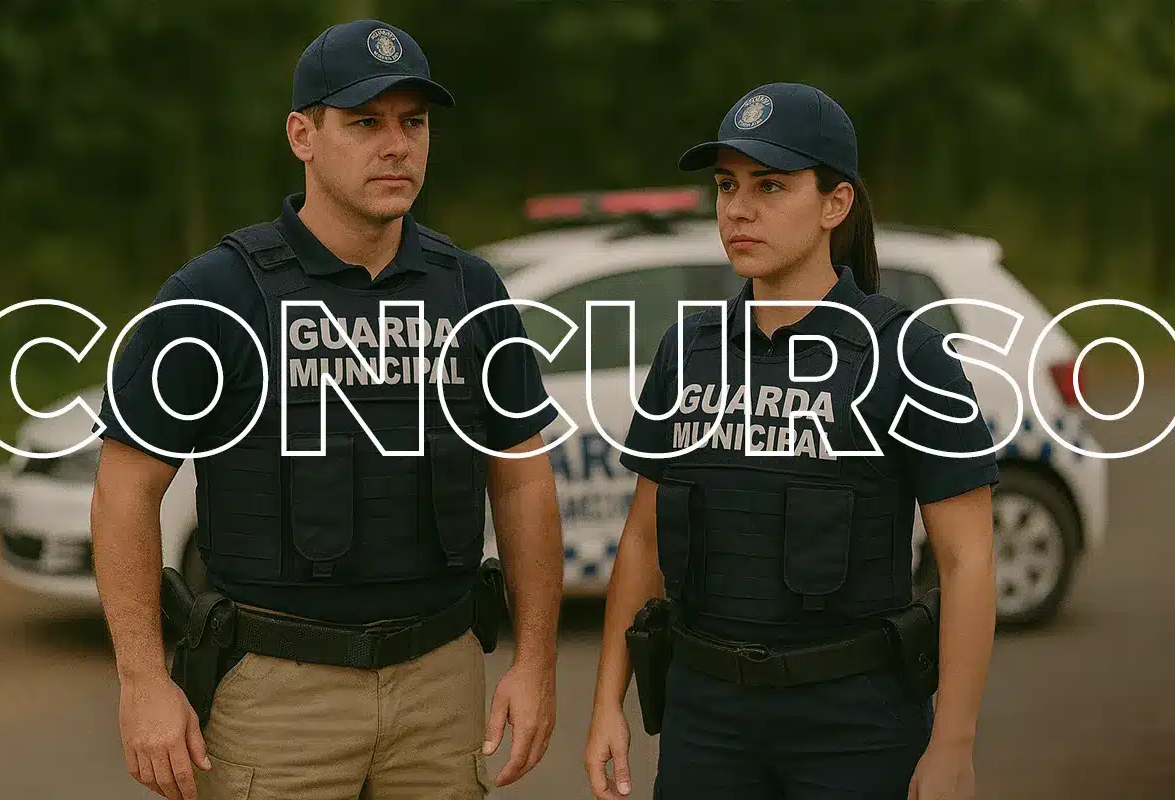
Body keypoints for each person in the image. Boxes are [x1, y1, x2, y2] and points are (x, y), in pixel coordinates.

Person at [90, 19, 563, 800]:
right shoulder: (218, 294)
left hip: (440, 688)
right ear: (302, 135)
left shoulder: (470, 290)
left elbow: (522, 480)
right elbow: (124, 490)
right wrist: (141, 681)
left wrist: (536, 661)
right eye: (365, 123)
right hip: (278, 698)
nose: (397, 145)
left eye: (414, 123)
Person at [585, 82, 998, 799]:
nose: (738, 209)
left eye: (770, 186)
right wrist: (605, 709)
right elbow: (643, 542)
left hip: (854, 724)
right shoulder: (688, 350)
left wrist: (953, 745)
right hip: (705, 722)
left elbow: (967, 561)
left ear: (834, 205)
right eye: (726, 185)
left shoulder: (908, 356)